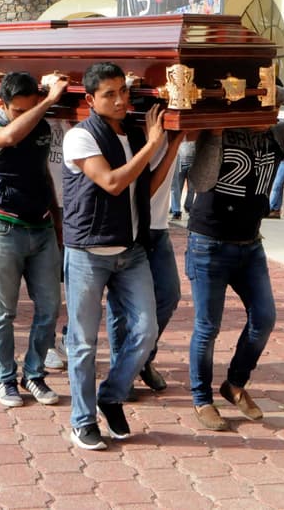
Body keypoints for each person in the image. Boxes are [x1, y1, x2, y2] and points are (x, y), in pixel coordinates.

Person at [186, 86, 284, 430]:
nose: (270, 116)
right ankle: (202, 399)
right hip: (209, 243)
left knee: (264, 318)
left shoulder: (277, 137)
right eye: (260, 109)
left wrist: (274, 88)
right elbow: (200, 181)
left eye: (272, 110)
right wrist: (217, 133)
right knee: (207, 327)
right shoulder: (219, 133)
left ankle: (234, 384)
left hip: (250, 245)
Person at [62, 62, 166, 450]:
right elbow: (112, 182)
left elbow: (145, 186)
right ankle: (82, 419)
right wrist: (155, 144)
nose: (121, 99)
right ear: (90, 99)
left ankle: (111, 394)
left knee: (145, 331)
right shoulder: (80, 136)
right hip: (88, 251)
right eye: (110, 94)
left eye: (123, 90)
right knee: (84, 341)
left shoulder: (136, 134)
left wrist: (172, 141)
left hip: (131, 249)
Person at [0, 72, 66, 408]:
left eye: (31, 107)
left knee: (49, 308)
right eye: (18, 110)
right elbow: (10, 136)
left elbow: (43, 172)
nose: (26, 115)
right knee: (3, 312)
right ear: (3, 104)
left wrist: (56, 221)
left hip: (41, 227)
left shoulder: (42, 127)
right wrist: (48, 102)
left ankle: (33, 373)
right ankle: (3, 378)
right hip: (3, 228)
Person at [110, 128, 185, 394]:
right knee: (120, 306)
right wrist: (167, 144)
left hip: (159, 225)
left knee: (168, 294)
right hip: (127, 226)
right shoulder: (125, 127)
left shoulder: (176, 121)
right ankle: (121, 371)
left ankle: (140, 359)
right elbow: (144, 187)